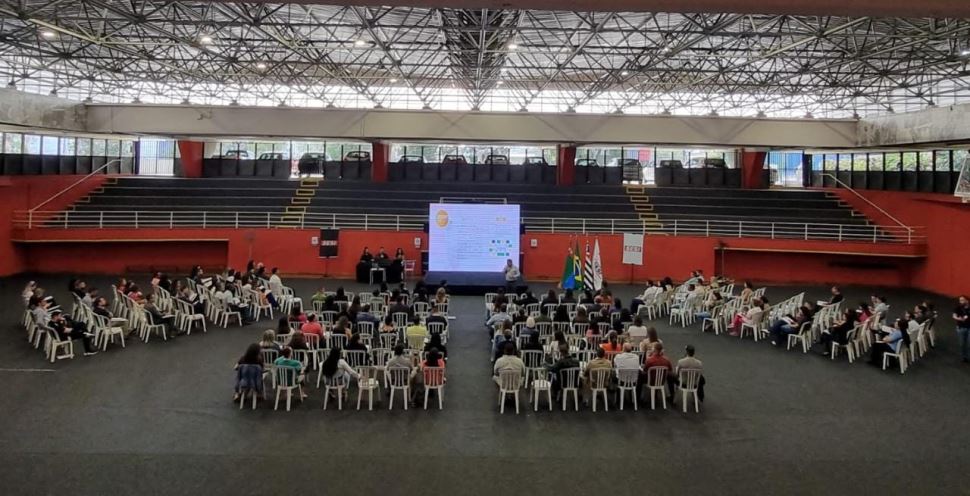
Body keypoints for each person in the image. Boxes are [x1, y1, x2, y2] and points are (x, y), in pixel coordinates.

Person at [954, 295, 970, 363]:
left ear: (967, 300)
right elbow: (954, 315)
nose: (961, 302)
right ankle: (964, 357)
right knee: (962, 344)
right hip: (961, 327)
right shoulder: (958, 308)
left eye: (963, 300)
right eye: (960, 300)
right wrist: (959, 318)